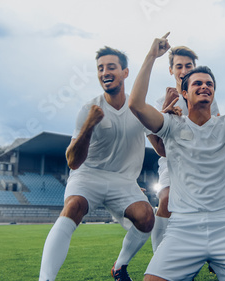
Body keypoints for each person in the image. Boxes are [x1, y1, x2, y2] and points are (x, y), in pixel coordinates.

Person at [129, 32, 225, 281]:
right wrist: (151, 56)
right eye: (197, 83)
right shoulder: (171, 124)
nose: (204, 86)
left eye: (209, 83)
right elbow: (135, 104)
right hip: (183, 228)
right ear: (184, 94)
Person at [38, 46, 154, 281]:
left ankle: (119, 266)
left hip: (123, 181)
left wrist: (169, 118)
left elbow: (160, 145)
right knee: (73, 207)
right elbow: (72, 162)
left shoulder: (138, 107)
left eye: (111, 67)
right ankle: (45, 279)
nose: (104, 72)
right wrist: (89, 125)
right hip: (88, 175)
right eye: (100, 68)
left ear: (125, 72)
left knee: (146, 217)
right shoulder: (88, 109)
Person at [147, 46, 221, 253]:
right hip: (173, 162)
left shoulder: (207, 98)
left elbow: (215, 132)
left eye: (188, 65)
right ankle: (158, 257)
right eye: (178, 66)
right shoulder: (162, 101)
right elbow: (160, 148)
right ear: (171, 70)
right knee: (167, 199)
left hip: (201, 161)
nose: (183, 70)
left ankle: (216, 253)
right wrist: (165, 113)